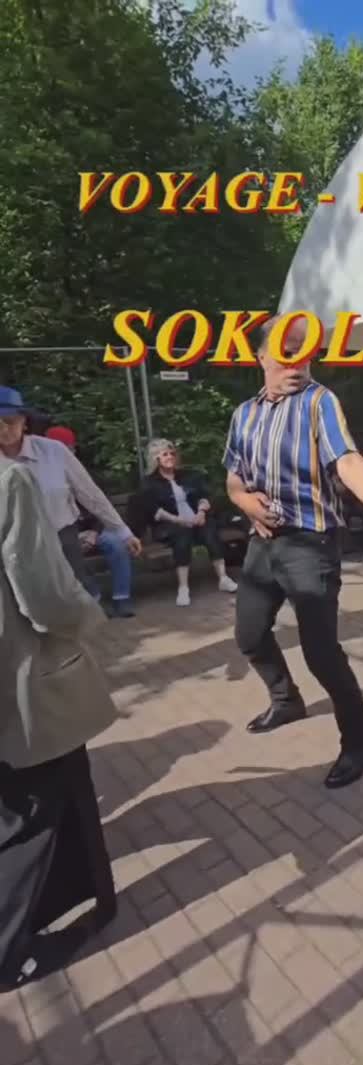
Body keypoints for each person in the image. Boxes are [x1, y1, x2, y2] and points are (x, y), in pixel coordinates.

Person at [224, 314, 363, 790]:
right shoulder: (244, 414)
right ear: (261, 357)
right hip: (263, 544)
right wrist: (244, 502)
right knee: (249, 635)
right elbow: (234, 479)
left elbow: (347, 462)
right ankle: (286, 701)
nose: (297, 361)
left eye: (306, 352)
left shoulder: (319, 402)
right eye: (287, 351)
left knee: (321, 653)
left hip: (310, 546)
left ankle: (358, 743)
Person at [0, 454, 118, 989]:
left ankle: (70, 894)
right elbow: (44, 594)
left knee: (54, 789)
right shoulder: (9, 479)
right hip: (20, 675)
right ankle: (8, 953)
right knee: (29, 811)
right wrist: (88, 618)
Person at [0, 387, 141, 596]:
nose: (4, 429)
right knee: (25, 601)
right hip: (15, 545)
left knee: (74, 596)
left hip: (62, 536)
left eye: (9, 421)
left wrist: (122, 531)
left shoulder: (53, 451)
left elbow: (89, 493)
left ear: (24, 421)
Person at [134, 439, 237, 606]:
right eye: (165, 454)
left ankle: (223, 578)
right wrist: (177, 520)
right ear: (156, 459)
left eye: (172, 453)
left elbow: (204, 495)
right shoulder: (149, 483)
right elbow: (152, 509)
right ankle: (183, 588)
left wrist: (201, 513)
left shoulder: (188, 476)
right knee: (182, 534)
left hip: (194, 520)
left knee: (209, 528)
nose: (170, 457)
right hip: (168, 525)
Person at [46, 425, 135, 618]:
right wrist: (77, 535)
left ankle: (122, 598)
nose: (65, 452)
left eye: (69, 447)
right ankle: (95, 600)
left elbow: (100, 505)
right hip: (66, 532)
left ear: (74, 449)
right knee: (69, 553)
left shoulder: (85, 473)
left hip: (96, 530)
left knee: (116, 544)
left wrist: (94, 533)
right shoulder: (44, 477)